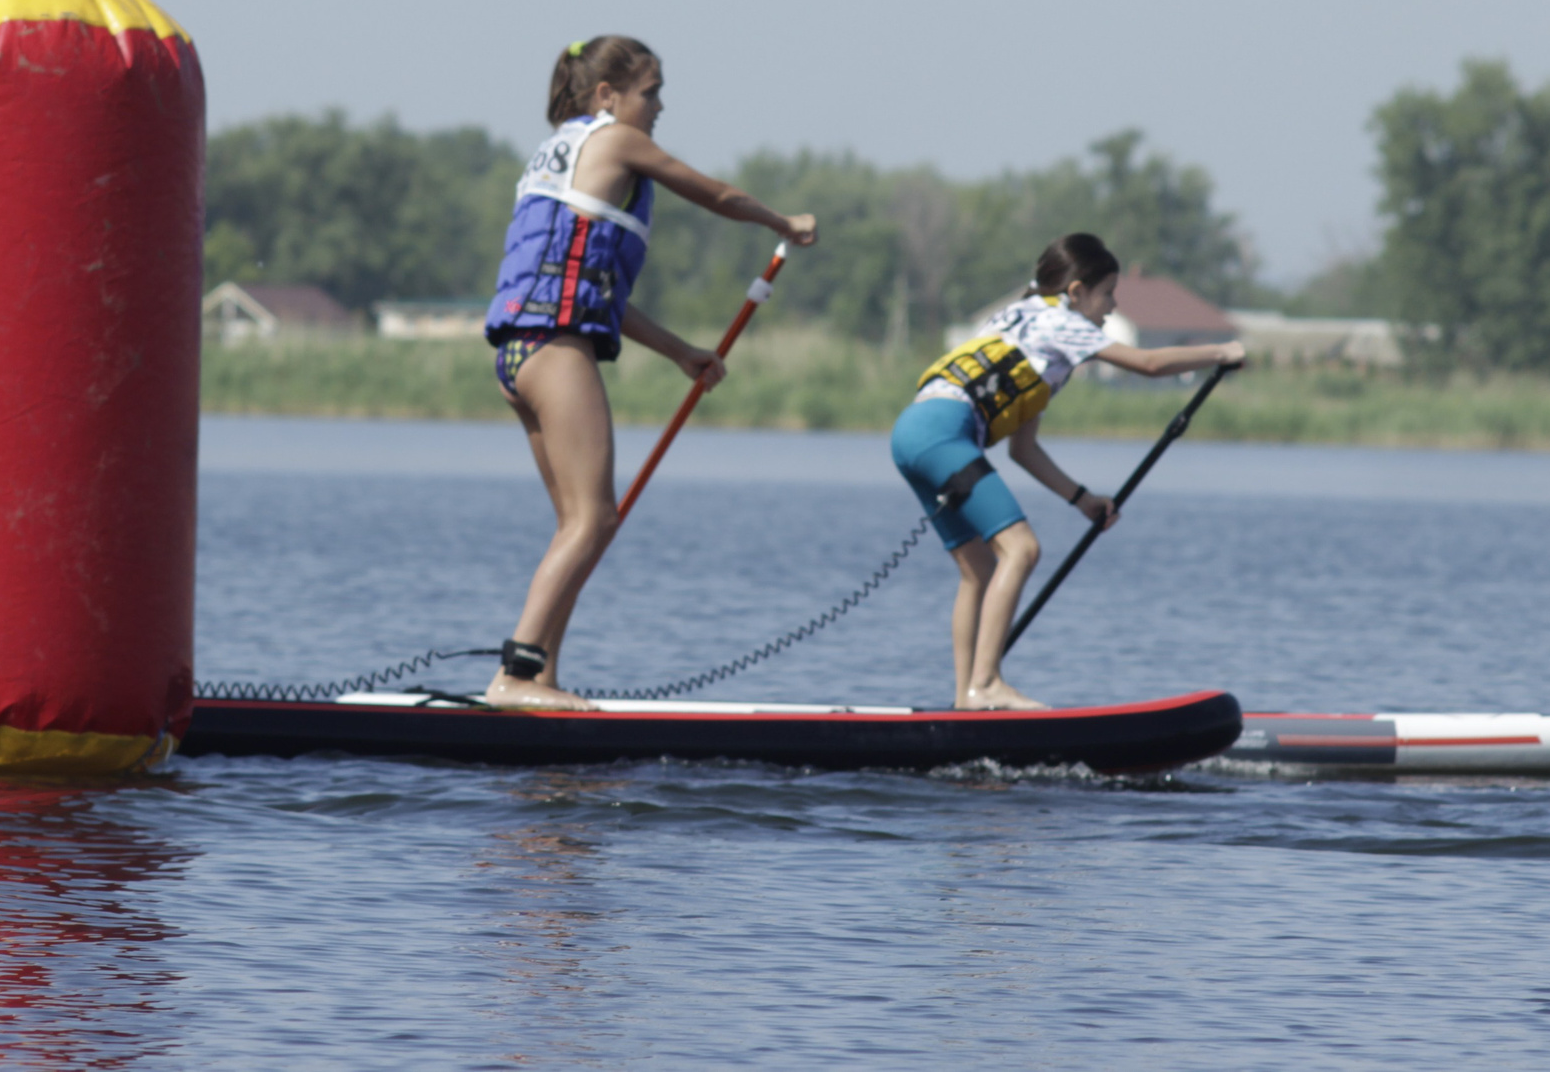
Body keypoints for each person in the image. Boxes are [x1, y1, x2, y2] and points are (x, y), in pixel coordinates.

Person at [481, 36, 819, 710]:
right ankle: (514, 679)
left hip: (518, 352)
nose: (660, 105)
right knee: (594, 519)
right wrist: (783, 220)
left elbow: (594, 287)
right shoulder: (616, 140)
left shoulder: (558, 151)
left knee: (579, 524)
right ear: (608, 95)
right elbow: (715, 193)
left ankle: (539, 678)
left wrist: (679, 351)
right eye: (651, 90)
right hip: (554, 348)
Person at [891, 232, 1245, 710]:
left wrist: (1082, 500)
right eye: (1107, 295)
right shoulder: (1061, 320)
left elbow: (1024, 449)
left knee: (978, 570)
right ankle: (986, 685)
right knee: (1023, 549)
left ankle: (965, 700)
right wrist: (1221, 352)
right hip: (942, 432)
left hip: (911, 432)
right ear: (1076, 292)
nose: (1112, 307)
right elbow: (1149, 362)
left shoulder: (1018, 318)